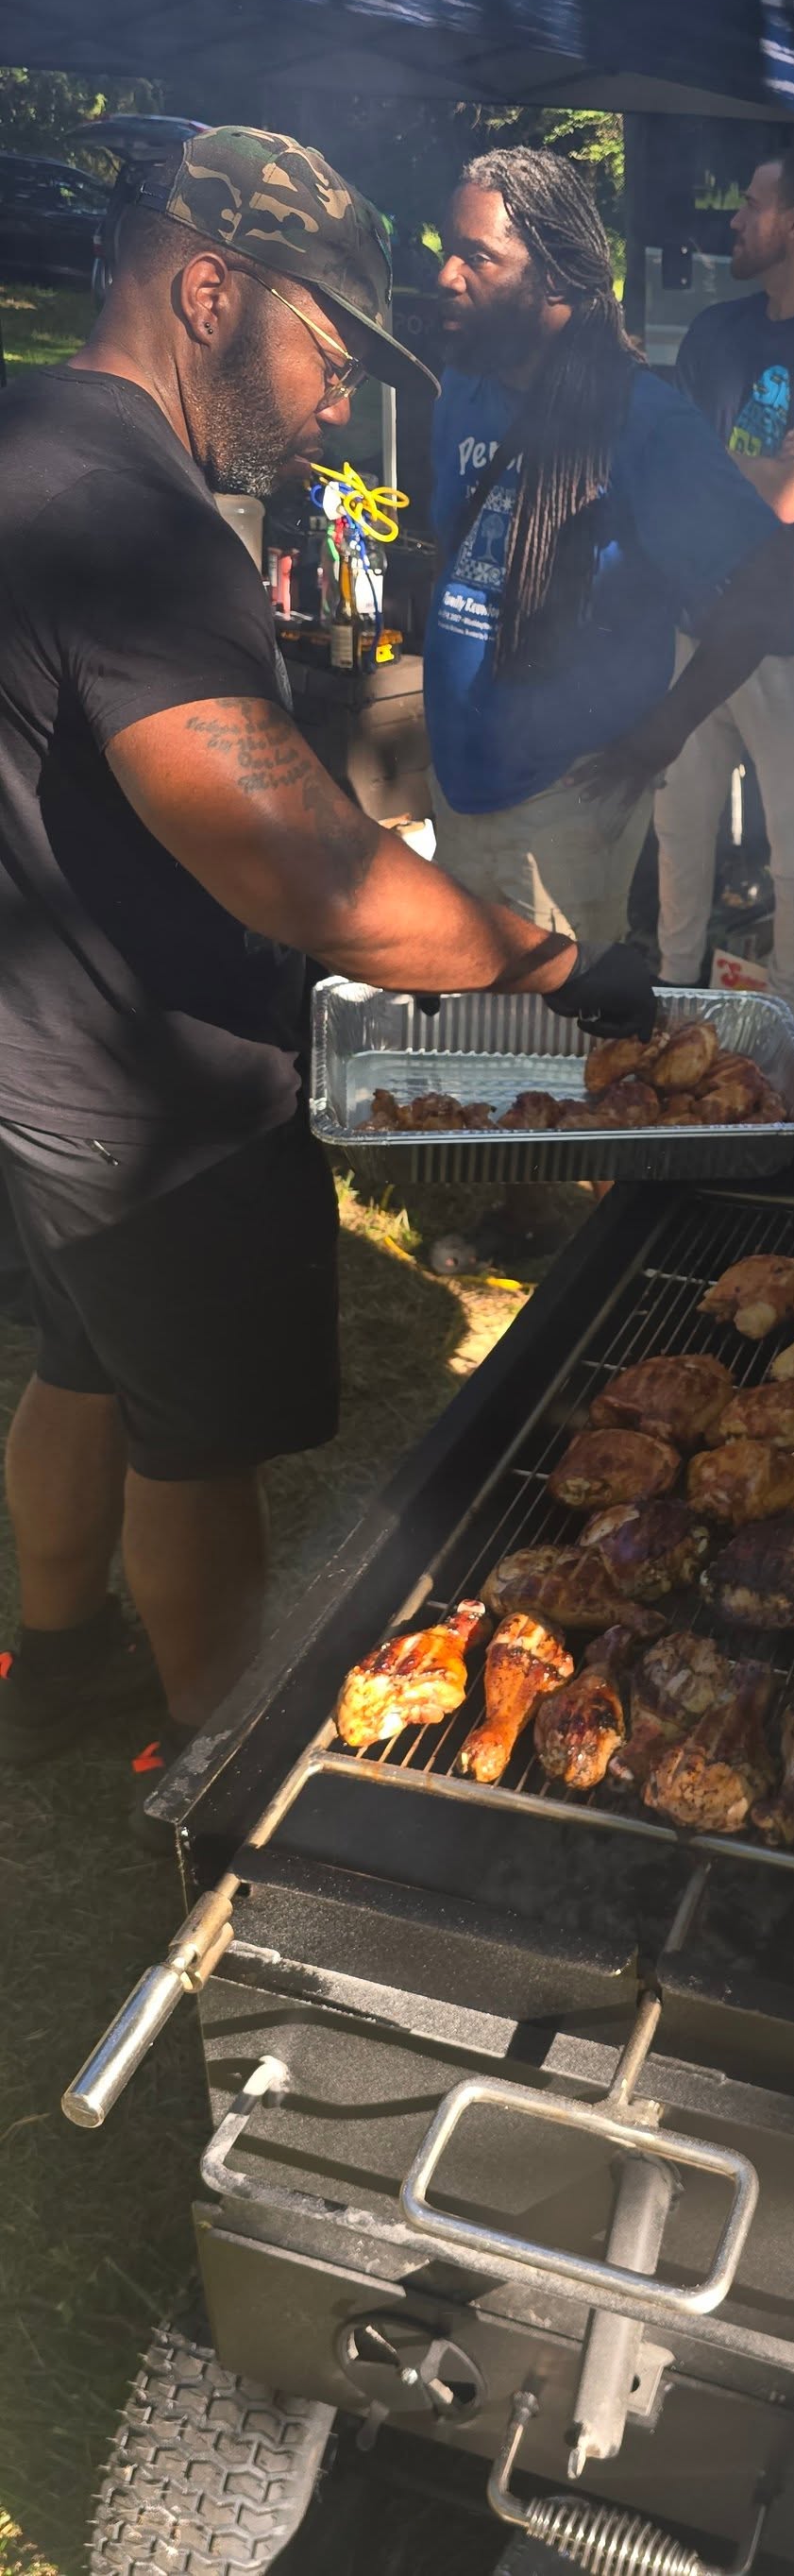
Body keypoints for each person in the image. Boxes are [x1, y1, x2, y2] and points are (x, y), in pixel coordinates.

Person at [0, 125, 651, 1800]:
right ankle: (220, 1782)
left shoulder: (21, 431)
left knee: (81, 1359)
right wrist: (556, 967)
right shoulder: (139, 522)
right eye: (329, 352)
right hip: (157, 1099)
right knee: (196, 1446)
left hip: (35, 1061)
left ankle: (51, 1663)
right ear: (212, 290)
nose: (338, 408)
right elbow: (310, 874)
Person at [422, 151, 787, 947]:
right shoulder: (461, 394)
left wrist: (668, 729)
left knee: (552, 1029)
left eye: (477, 256)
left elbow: (765, 584)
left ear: (554, 278)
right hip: (454, 790)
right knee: (458, 1026)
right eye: (447, 250)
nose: (447, 275)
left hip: (565, 806)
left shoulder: (643, 421)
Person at [654, 150, 794, 1015]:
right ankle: (668, 997)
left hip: (791, 647)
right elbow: (676, 474)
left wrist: (757, 481)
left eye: (751, 203)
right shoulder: (714, 334)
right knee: (678, 835)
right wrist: (773, 475)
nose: (733, 220)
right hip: (697, 632)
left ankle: (792, 1021)